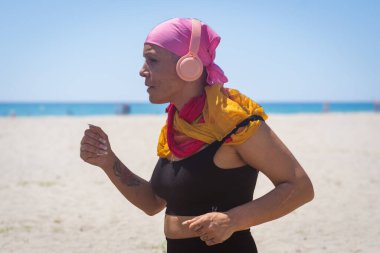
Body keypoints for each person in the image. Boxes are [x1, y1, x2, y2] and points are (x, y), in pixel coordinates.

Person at [80, 18, 314, 253]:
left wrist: (234, 220)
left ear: (188, 65)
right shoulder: (176, 124)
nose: (142, 70)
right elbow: (152, 203)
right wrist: (109, 162)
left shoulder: (234, 122)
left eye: (152, 60)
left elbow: (299, 186)